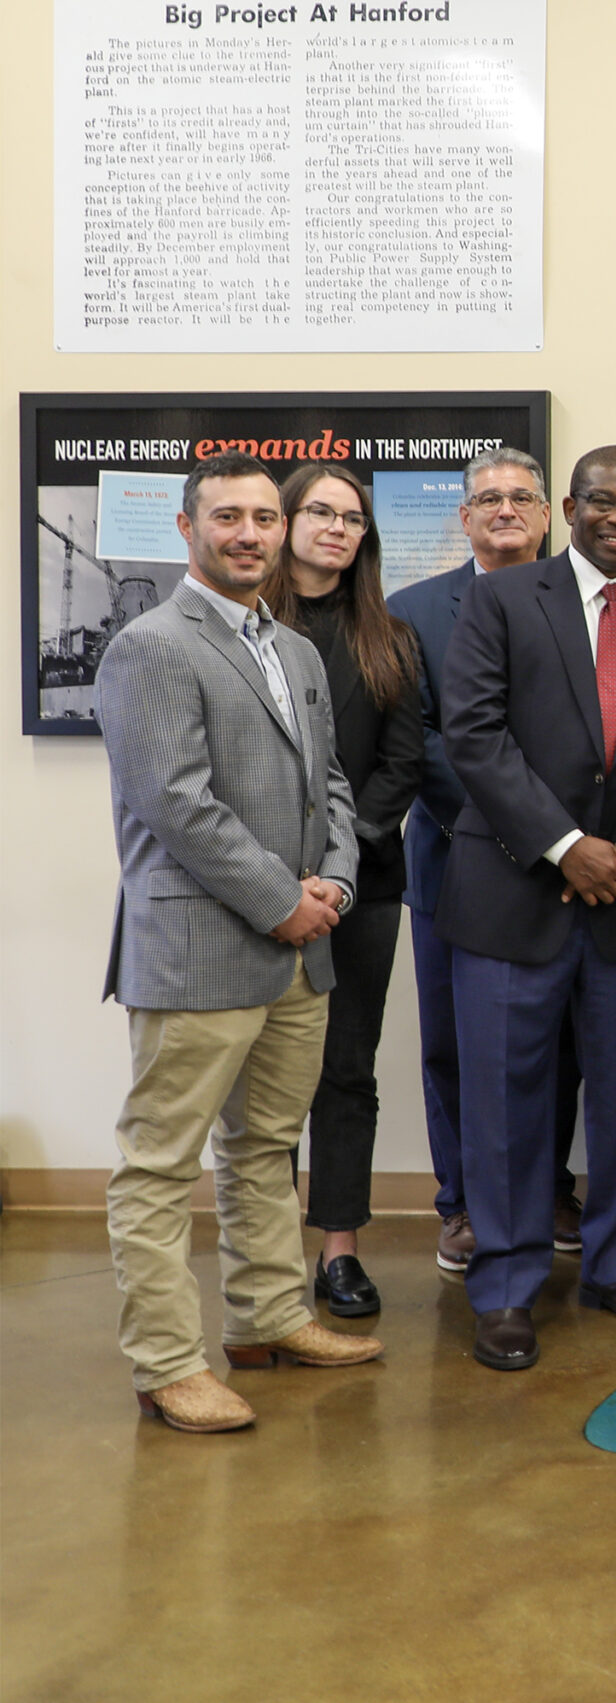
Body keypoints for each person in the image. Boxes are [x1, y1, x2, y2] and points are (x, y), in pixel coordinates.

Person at [98, 453, 380, 1432]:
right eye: (228, 516)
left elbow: (330, 784)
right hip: (200, 948)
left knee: (264, 1147)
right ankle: (167, 1365)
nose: (250, 533)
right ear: (188, 528)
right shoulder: (150, 646)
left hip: (300, 949)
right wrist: (279, 900)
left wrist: (335, 882)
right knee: (160, 1165)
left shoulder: (293, 650)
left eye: (264, 516)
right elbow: (177, 804)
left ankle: (268, 1318)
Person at [438, 446, 616, 1372]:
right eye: (603, 501)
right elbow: (474, 735)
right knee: (505, 1105)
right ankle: (507, 1286)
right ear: (568, 508)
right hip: (512, 895)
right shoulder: (502, 598)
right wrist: (568, 845)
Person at [389, 448, 586, 1278]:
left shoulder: (587, 602)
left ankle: (548, 1191)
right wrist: (518, 820)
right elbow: (418, 742)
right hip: (456, 860)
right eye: (489, 499)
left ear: (546, 515)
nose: (506, 509)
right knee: (456, 1046)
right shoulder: (411, 613)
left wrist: (560, 837)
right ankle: (464, 1203)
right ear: (464, 518)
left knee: (560, 1043)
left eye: (522, 497)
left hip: (568, 869)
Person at [262, 463, 424, 1318]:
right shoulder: (244, 629)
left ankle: (339, 1251)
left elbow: (403, 763)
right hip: (256, 889)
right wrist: (279, 876)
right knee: (265, 1079)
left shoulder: (390, 638)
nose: (336, 527)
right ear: (286, 521)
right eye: (320, 511)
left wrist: (337, 867)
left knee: (346, 1069)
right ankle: (265, 1256)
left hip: (361, 887)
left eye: (353, 518)